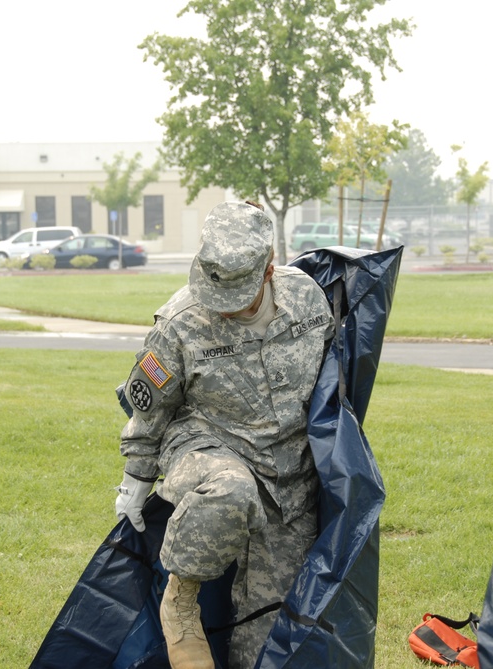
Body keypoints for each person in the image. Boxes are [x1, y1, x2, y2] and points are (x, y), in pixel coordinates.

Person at [114, 201, 334, 669]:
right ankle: (180, 600)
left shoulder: (309, 300)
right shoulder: (180, 322)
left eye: (240, 298)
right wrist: (134, 481)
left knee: (271, 633)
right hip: (207, 443)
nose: (225, 309)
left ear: (269, 268)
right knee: (229, 490)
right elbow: (148, 407)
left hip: (287, 475)